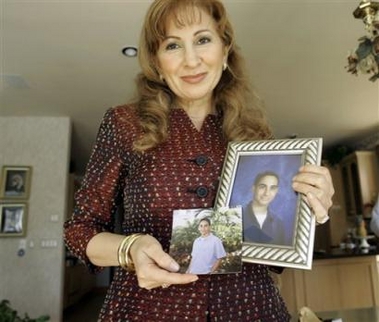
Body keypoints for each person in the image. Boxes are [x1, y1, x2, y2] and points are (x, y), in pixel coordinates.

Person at [64, 0, 335, 320]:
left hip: (251, 309)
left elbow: (273, 255)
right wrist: (130, 249)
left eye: (203, 39)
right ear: (156, 60)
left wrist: (310, 209)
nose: (191, 60)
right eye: (173, 45)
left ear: (225, 50)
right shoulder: (125, 124)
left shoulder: (254, 133)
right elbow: (80, 230)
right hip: (148, 311)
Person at [243, 171, 290, 246]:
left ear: (276, 191)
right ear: (253, 188)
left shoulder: (278, 224)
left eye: (272, 188)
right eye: (262, 187)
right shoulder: (234, 216)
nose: (267, 193)